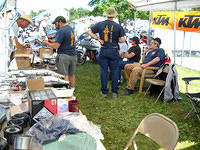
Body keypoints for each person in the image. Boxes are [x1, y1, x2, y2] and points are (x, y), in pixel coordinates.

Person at [86, 7, 126, 98]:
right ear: (113, 15)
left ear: (106, 15)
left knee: (104, 71)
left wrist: (98, 38)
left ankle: (104, 92)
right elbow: (123, 39)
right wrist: (117, 39)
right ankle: (114, 92)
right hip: (114, 50)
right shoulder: (118, 26)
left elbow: (88, 31)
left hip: (104, 50)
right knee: (115, 71)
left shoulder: (100, 24)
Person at [42, 16, 77, 90]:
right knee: (72, 74)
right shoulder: (70, 29)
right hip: (73, 55)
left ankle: (66, 91)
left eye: (55, 24)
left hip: (64, 55)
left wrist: (47, 43)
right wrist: (52, 41)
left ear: (60, 22)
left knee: (64, 75)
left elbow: (56, 46)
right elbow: (65, 40)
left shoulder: (61, 31)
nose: (55, 26)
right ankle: (73, 89)